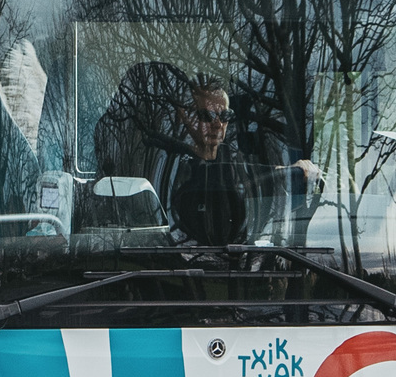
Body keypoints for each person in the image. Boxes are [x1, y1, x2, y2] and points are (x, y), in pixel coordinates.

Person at [94, 64, 318, 245]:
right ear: (187, 118)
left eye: (225, 116)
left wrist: (295, 170)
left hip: (237, 266)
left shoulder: (234, 161)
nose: (217, 124)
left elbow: (259, 175)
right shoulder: (168, 165)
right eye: (206, 115)